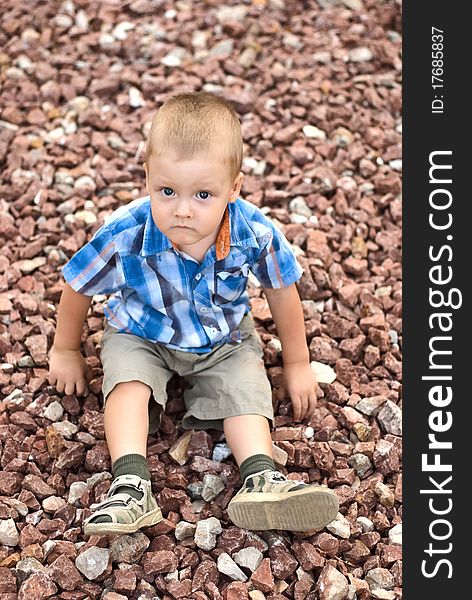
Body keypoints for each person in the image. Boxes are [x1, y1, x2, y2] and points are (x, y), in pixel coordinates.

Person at [48, 91, 339, 535]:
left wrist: (297, 362)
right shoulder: (126, 230)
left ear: (234, 188)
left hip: (222, 337)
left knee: (246, 389)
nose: (182, 209)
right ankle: (129, 485)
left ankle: (263, 477)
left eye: (203, 194)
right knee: (127, 385)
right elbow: (79, 284)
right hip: (142, 331)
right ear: (146, 178)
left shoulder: (252, 230)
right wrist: (66, 349)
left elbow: (282, 290)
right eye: (167, 191)